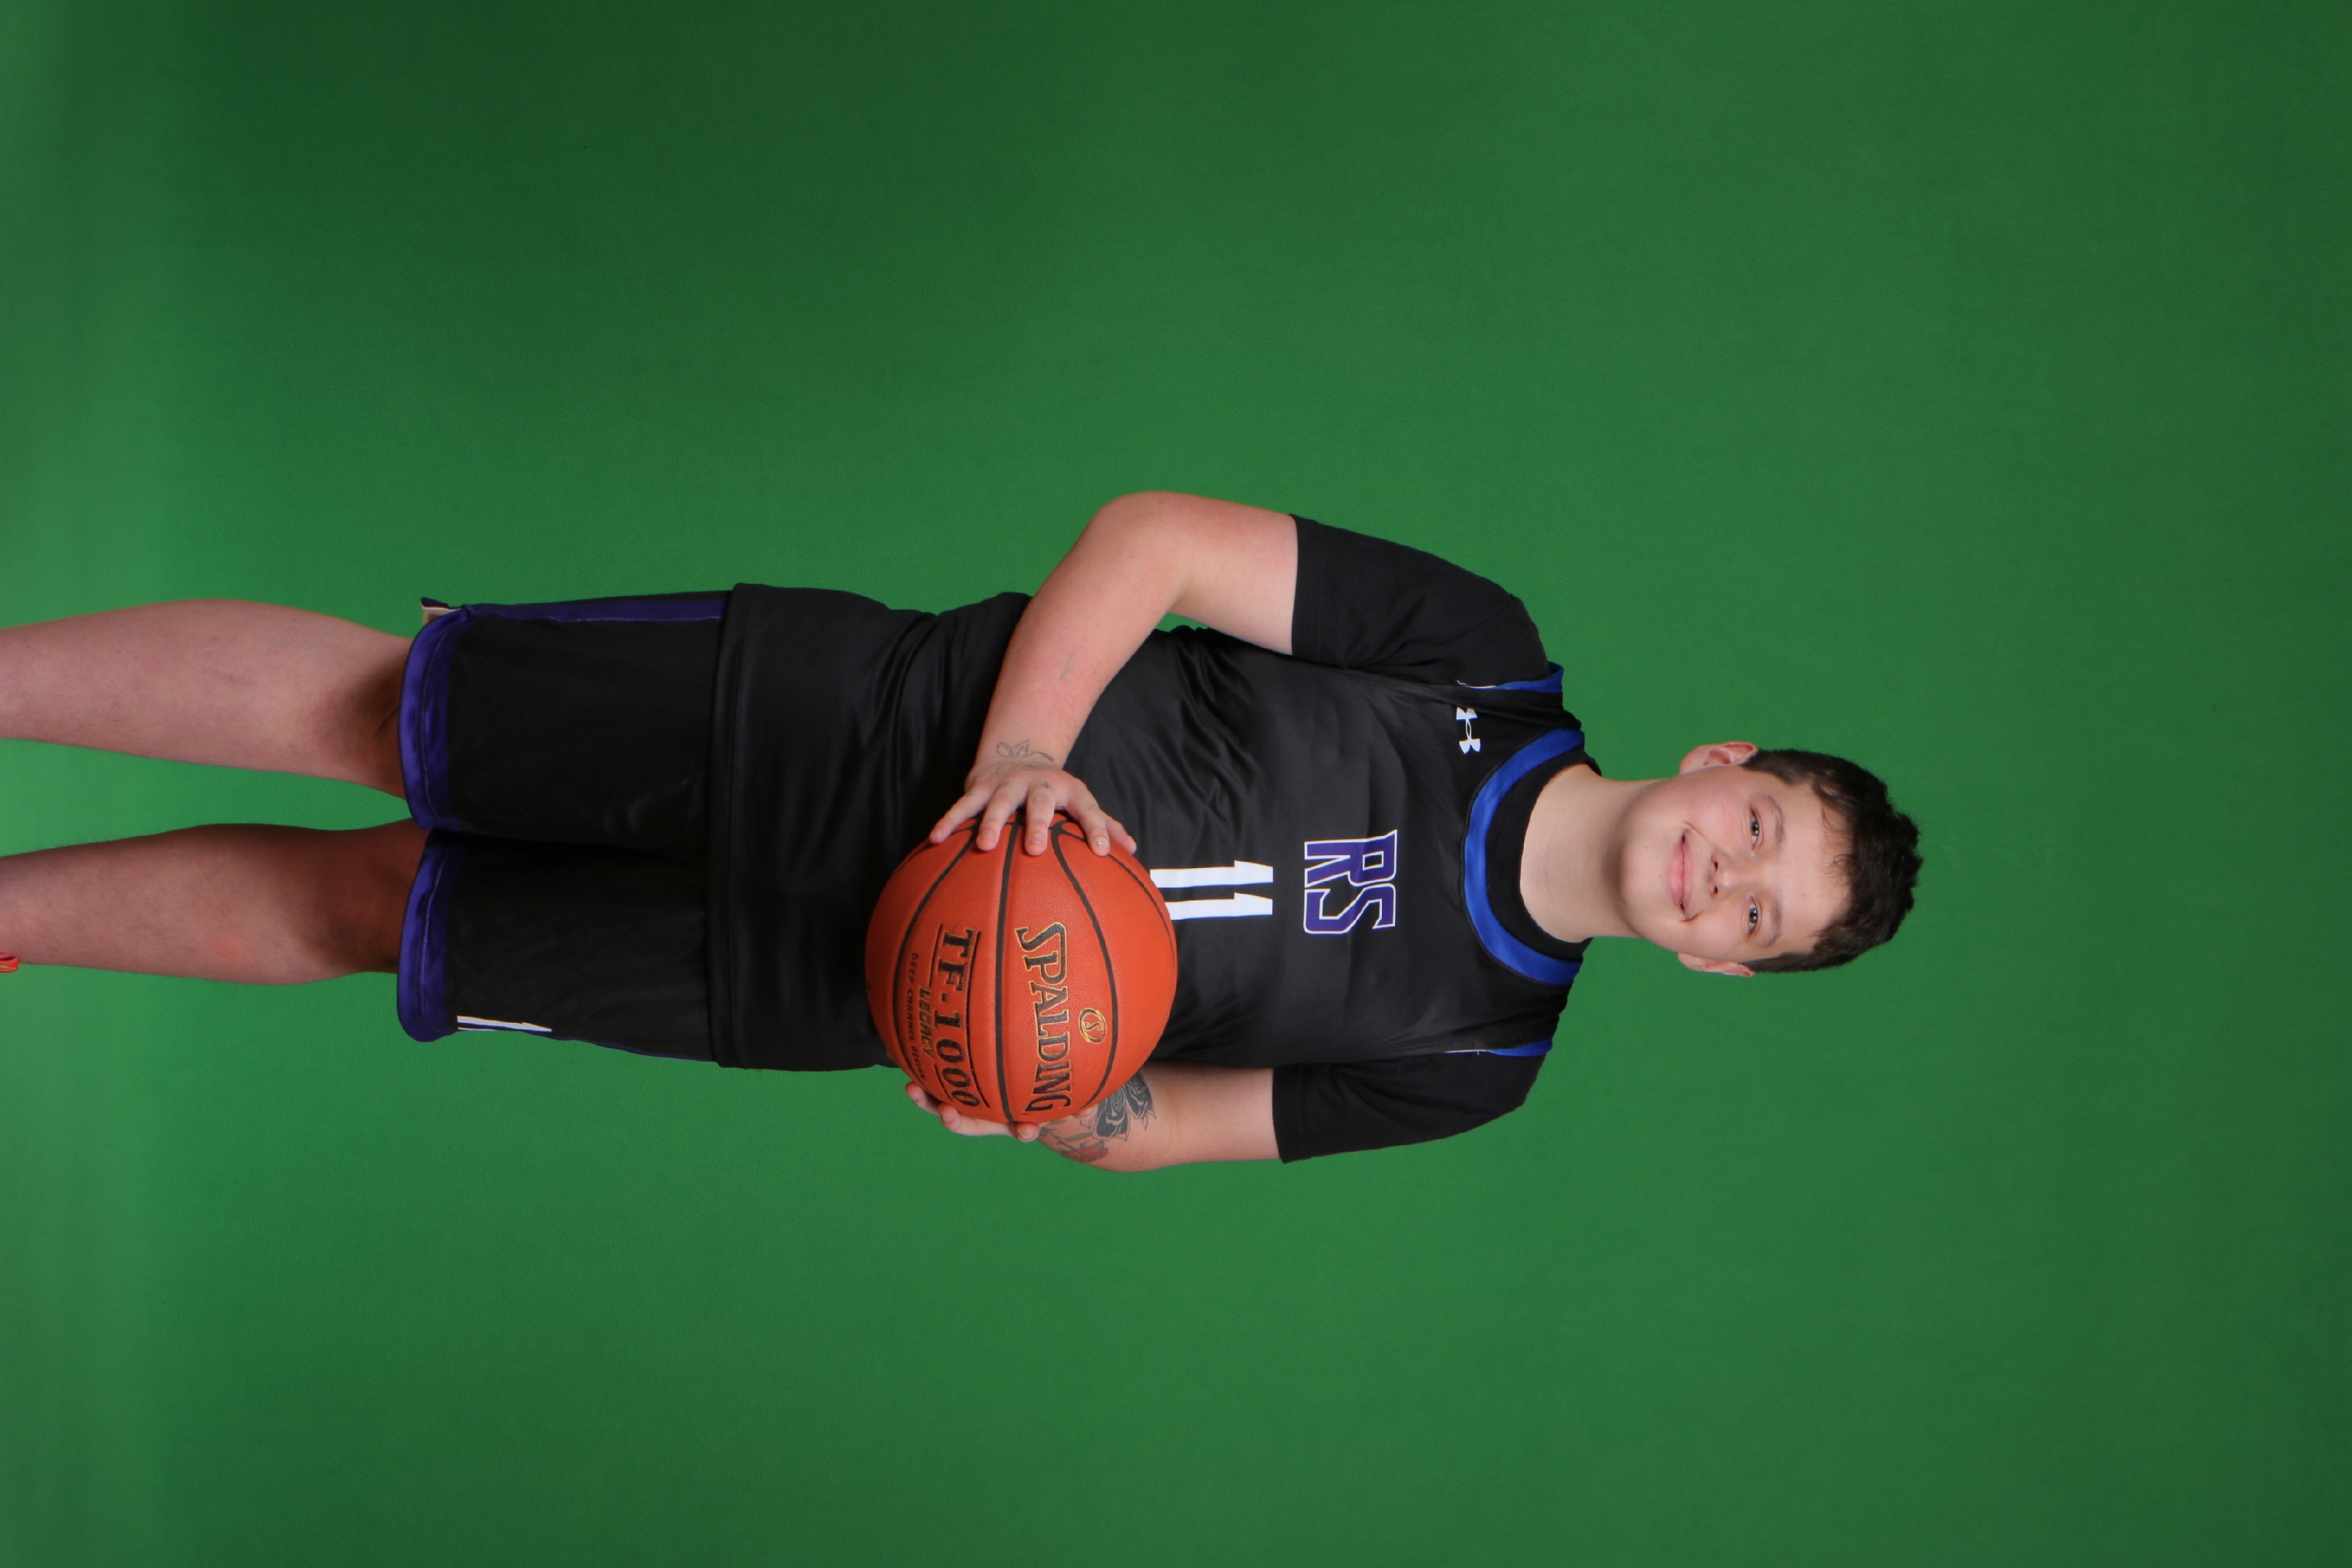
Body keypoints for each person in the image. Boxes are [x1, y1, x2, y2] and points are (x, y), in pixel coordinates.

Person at [0, 494, 1920, 1168]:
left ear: (1718, 967)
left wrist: (1043, 1092)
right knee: (385, 718)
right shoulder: (1473, 657)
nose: (1727, 872)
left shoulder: (1473, 1059)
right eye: (1759, 825)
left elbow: (1159, 1130)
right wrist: (1021, 750)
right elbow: (1156, 539)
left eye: (1756, 913)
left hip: (821, 985)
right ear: (1721, 758)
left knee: (376, 913)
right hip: (837, 721)